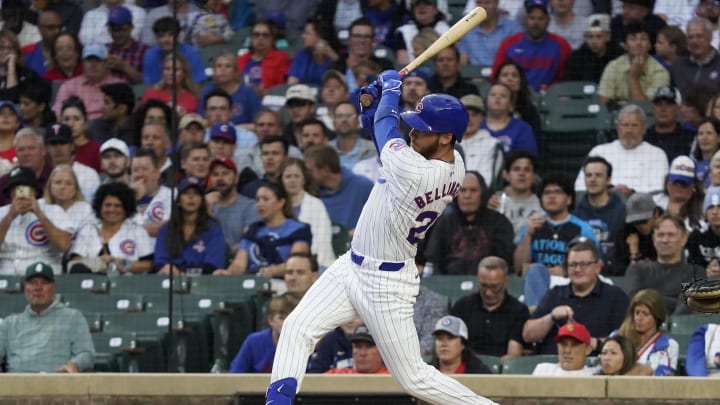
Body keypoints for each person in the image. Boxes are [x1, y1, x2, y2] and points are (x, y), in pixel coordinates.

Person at [266, 71, 497, 404]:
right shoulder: (450, 162)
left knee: (414, 378)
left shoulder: (419, 172)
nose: (414, 131)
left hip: (386, 284)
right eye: (414, 124)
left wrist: (389, 93)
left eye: (423, 128)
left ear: (446, 137)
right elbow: (388, 144)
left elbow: (390, 134)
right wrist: (374, 112)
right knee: (296, 328)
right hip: (352, 265)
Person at [522, 239, 629, 354]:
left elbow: (625, 340)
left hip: (595, 366)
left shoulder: (615, 296)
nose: (578, 269)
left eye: (584, 264)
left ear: (597, 267)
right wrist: (551, 317)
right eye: (573, 265)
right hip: (552, 366)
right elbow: (528, 335)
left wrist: (595, 343)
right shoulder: (554, 294)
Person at [0, 261, 94, 372]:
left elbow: (86, 353)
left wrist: (74, 364)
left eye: (44, 282)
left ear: (54, 287)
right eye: (32, 282)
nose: (38, 287)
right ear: (25, 288)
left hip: (56, 385)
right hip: (16, 386)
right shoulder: (10, 323)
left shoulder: (73, 317)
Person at [424, 171, 515, 274]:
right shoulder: (444, 223)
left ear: (483, 193)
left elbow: (505, 262)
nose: (467, 195)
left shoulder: (500, 223)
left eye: (473, 190)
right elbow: (434, 260)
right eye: (462, 190)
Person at [513, 172, 596, 278]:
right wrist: (528, 235)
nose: (551, 196)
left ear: (569, 199)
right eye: (547, 193)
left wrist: (567, 271)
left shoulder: (583, 229)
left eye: (558, 192)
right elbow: (518, 269)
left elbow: (594, 267)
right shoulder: (531, 226)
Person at [574, 104, 669, 196]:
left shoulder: (657, 154)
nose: (629, 130)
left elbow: (659, 192)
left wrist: (631, 193)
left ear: (644, 128)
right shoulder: (599, 152)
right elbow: (580, 187)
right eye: (625, 125)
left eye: (634, 125)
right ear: (617, 127)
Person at [226, 181, 311, 277]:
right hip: (252, 282)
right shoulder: (252, 231)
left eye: (265, 199)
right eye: (257, 200)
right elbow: (239, 264)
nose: (259, 204)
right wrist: (228, 273)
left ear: (281, 202)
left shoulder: (299, 229)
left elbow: (297, 262)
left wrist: (272, 271)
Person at [624, 214, 705, 314]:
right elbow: (634, 302)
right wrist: (674, 302)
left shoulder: (696, 273)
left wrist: (649, 299)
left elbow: (685, 309)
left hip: (681, 328)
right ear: (654, 239)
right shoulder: (637, 270)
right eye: (660, 235)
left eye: (671, 235)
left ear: (684, 238)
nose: (665, 240)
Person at [450, 256, 528, 359]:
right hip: (467, 367)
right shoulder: (462, 307)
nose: (488, 292)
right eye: (484, 286)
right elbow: (452, 346)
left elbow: (513, 356)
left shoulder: (518, 310)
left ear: (505, 281)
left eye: (495, 287)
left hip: (499, 370)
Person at [67, 182, 153, 275]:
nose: (112, 209)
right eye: (108, 205)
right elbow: (75, 261)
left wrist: (121, 264)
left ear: (126, 208)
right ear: (100, 207)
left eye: (118, 205)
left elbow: (148, 264)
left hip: (128, 284)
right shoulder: (88, 230)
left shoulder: (137, 231)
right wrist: (99, 262)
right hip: (90, 283)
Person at [0, 167, 73, 275]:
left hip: (44, 276)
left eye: (24, 188)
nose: (20, 193)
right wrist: (10, 217)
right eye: (15, 188)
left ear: (34, 190)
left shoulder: (54, 210)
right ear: (10, 192)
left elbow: (64, 245)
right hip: (7, 277)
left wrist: (39, 214)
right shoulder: (2, 212)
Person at [492, 0, 571, 92]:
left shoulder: (562, 45)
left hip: (548, 98)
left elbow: (566, 79)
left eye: (541, 18)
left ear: (548, 20)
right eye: (532, 18)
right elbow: (496, 75)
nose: (535, 23)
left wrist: (552, 89)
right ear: (525, 19)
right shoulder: (509, 43)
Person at [153, 177, 226, 276]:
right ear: (178, 200)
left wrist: (182, 272)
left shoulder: (213, 228)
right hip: (171, 283)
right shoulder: (166, 230)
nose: (191, 197)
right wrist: (167, 269)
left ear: (201, 200)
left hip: (203, 283)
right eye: (186, 193)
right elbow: (159, 263)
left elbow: (212, 266)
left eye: (196, 193)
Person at [572, 156, 627, 275]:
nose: (592, 179)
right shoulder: (575, 211)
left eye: (598, 175)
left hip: (615, 274)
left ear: (608, 180)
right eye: (589, 175)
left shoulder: (622, 212)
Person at [303, 144, 374, 234]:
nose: (306, 175)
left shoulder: (363, 187)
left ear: (325, 170)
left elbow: (378, 219)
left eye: (310, 170)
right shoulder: (309, 192)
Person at [279, 158, 335, 268]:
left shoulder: (316, 205)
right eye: (288, 176)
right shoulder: (275, 205)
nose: (292, 180)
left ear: (304, 179)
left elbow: (321, 242)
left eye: (296, 176)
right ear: (281, 180)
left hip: (315, 264)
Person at [598, 22, 670, 107]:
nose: (638, 43)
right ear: (625, 45)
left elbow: (647, 109)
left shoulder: (660, 72)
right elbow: (603, 102)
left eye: (643, 39)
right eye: (633, 39)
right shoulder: (614, 66)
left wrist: (633, 77)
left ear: (650, 45)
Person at [52, 42, 125, 121]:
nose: (93, 65)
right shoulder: (69, 86)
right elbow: (58, 115)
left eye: (98, 60)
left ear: (106, 63)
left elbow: (125, 117)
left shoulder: (120, 86)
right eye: (89, 60)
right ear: (82, 63)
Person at [616, 288, 679, 376]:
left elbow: (663, 377)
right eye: (637, 313)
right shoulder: (618, 337)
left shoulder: (668, 345)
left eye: (645, 314)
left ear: (657, 317)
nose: (639, 318)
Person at [229, 294, 298, 373]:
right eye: (281, 318)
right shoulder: (253, 342)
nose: (287, 323)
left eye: (291, 318)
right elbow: (235, 374)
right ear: (271, 320)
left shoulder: (303, 343)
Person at [205, 157, 259, 248]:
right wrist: (207, 209)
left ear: (236, 178)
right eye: (215, 174)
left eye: (225, 173)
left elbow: (249, 244)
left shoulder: (250, 206)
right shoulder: (206, 205)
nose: (220, 178)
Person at [488, 149, 542, 239]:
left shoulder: (542, 205)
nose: (522, 173)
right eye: (516, 169)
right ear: (506, 175)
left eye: (527, 170)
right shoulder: (492, 201)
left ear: (534, 177)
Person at [196, 53, 261, 126]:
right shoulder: (207, 92)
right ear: (214, 71)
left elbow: (258, 124)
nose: (222, 69)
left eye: (228, 66)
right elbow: (200, 121)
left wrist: (233, 129)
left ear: (235, 72)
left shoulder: (248, 93)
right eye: (219, 66)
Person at [142, 17, 206, 85]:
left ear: (178, 36)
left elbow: (198, 84)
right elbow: (149, 86)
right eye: (161, 36)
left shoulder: (192, 53)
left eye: (170, 35)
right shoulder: (150, 55)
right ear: (156, 38)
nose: (166, 40)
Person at [457, 0, 522, 67]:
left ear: (497, 3)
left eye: (487, 2)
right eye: (479, 3)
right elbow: (462, 62)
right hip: (474, 76)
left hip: (503, 75)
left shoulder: (513, 29)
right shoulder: (467, 30)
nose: (483, 7)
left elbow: (518, 60)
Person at [457, 94, 503, 188]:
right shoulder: (444, 143)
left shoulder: (492, 145)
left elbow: (487, 183)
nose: (469, 119)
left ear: (482, 118)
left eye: (474, 115)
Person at [236, 19, 291, 96]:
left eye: (265, 35)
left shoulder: (281, 58)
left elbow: (285, 87)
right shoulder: (240, 60)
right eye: (256, 35)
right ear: (251, 38)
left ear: (272, 39)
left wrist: (267, 92)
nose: (260, 38)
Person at [0, 128, 53, 206]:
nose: (26, 153)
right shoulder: (4, 183)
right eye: (21, 150)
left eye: (31, 148)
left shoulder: (56, 178)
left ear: (43, 150)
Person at [482, 83, 538, 157]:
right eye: (493, 95)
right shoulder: (475, 125)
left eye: (503, 96)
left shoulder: (522, 129)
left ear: (511, 105)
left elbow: (527, 159)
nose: (497, 97)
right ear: (486, 102)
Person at [564, 13, 622, 83]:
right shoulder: (576, 58)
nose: (594, 42)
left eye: (599, 36)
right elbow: (569, 85)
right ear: (585, 38)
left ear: (608, 37)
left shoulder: (619, 56)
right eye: (590, 37)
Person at [492, 60, 542, 139]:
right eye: (505, 75)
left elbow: (536, 139)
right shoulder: (487, 108)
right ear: (498, 80)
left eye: (514, 75)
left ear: (521, 81)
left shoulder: (529, 111)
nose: (509, 78)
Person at [653, 155, 705, 231]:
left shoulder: (704, 209)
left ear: (694, 185)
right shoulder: (654, 202)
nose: (678, 186)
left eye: (684, 184)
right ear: (667, 182)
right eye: (675, 182)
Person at [644, 86, 694, 163]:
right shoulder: (644, 137)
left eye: (669, 104)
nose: (663, 109)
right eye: (659, 104)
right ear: (653, 108)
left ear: (678, 109)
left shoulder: (689, 138)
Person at [613, 192, 660, 272]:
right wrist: (634, 255)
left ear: (656, 214)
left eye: (644, 221)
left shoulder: (669, 228)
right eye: (636, 222)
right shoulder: (625, 231)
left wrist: (659, 247)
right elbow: (617, 269)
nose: (640, 226)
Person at [40, 163, 94, 233]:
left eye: (68, 183)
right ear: (50, 186)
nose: (63, 187)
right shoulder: (39, 206)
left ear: (75, 189)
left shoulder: (86, 209)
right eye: (58, 182)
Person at [671, 18, 720, 95]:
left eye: (699, 36)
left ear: (710, 37)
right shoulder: (678, 64)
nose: (694, 41)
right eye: (691, 37)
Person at [394, 0, 449, 66]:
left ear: (436, 9)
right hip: (412, 73)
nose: (421, 7)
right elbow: (402, 63)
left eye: (427, 3)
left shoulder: (448, 30)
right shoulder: (403, 31)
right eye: (417, 4)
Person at [532, 321, 600, 376]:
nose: (567, 350)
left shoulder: (595, 375)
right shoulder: (543, 370)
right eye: (563, 344)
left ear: (588, 350)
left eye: (574, 345)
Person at [287, 17, 339, 86]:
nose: (303, 36)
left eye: (307, 33)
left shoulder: (332, 57)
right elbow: (291, 81)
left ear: (320, 37)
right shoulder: (300, 56)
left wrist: (329, 54)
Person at [324, 324, 391, 375]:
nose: (363, 353)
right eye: (358, 346)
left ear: (381, 350)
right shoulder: (336, 375)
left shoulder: (394, 379)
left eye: (369, 346)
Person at [105, 6, 147, 85]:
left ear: (131, 27)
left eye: (121, 29)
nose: (117, 34)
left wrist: (124, 67)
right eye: (113, 29)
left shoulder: (144, 51)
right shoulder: (104, 49)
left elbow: (149, 84)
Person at [60, 97, 102, 174]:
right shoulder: (56, 149)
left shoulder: (97, 150)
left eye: (76, 119)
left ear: (85, 123)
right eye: (66, 119)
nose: (71, 124)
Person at [79, 0, 146, 46]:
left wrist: (97, 42)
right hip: (96, 61)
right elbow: (84, 42)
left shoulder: (138, 12)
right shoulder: (90, 15)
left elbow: (130, 39)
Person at [0, 29, 41, 104]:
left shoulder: (29, 75)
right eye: (1, 48)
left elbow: (13, 102)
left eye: (10, 48)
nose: (6, 51)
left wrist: (11, 68)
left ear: (17, 52)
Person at [688, 186, 720, 271]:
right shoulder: (697, 236)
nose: (715, 212)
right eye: (710, 207)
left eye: (719, 207)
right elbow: (691, 270)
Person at [693, 118, 720, 187]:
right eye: (700, 133)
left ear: (718, 137)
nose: (704, 138)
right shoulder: (692, 165)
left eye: (709, 133)